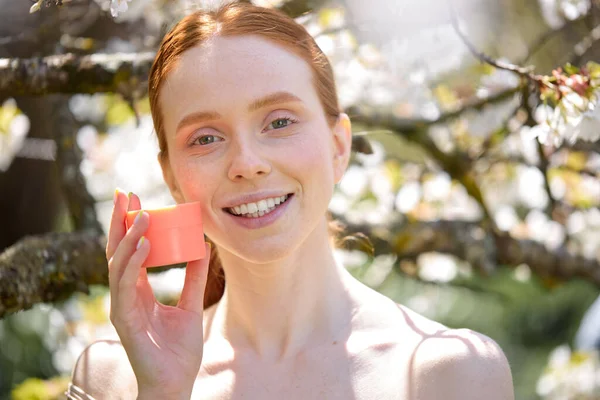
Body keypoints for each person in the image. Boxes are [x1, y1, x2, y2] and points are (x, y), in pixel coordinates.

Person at [67, 2, 515, 399]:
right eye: (205, 138)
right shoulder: (113, 379)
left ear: (339, 146)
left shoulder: (448, 373)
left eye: (279, 122)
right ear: (172, 179)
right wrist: (162, 394)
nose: (247, 163)